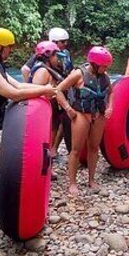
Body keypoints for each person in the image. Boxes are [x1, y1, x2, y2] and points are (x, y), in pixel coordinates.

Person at [0, 27, 54, 217]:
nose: (10, 51)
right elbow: (13, 94)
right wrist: (44, 91)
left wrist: (45, 88)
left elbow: (18, 84)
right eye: (8, 47)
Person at [55, 46, 114, 197]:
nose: (106, 68)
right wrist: (68, 108)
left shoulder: (104, 76)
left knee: (94, 148)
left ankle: (91, 180)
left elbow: (110, 92)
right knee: (76, 150)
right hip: (81, 115)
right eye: (104, 66)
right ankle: (72, 183)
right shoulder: (78, 74)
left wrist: (109, 107)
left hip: (98, 115)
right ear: (94, 63)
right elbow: (59, 90)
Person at [21, 27, 74, 160]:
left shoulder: (61, 57)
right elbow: (37, 91)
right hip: (47, 105)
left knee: (59, 123)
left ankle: (51, 152)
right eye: (62, 41)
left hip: (57, 97)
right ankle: (44, 159)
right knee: (47, 131)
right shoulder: (42, 70)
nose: (65, 44)